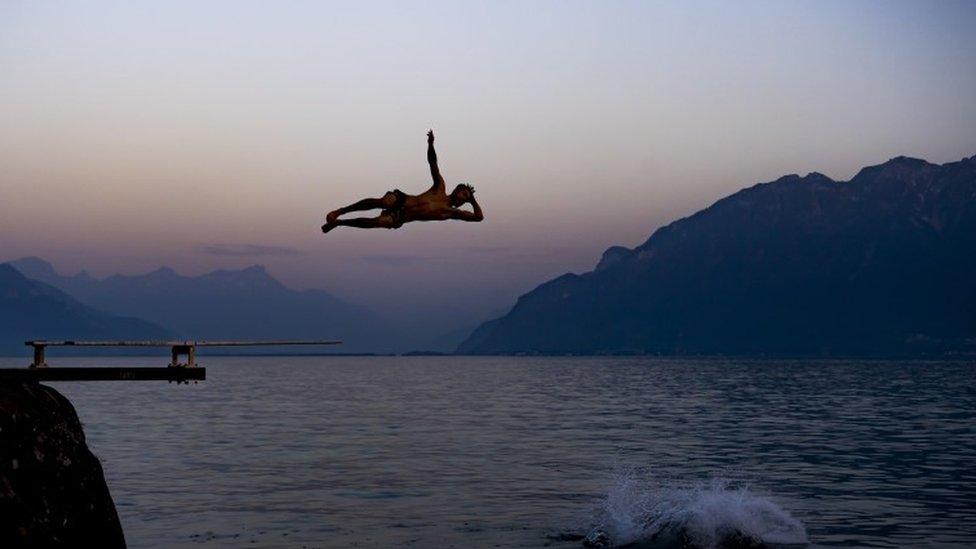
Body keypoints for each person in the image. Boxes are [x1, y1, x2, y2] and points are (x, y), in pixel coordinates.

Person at [321, 130, 483, 233]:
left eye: (466, 197)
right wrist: (431, 144)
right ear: (457, 189)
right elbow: (433, 164)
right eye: (463, 193)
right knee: (384, 201)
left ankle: (339, 223)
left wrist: (473, 199)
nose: (463, 197)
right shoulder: (439, 188)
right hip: (403, 200)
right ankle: (341, 211)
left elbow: (478, 217)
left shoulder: (451, 213)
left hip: (402, 216)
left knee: (378, 222)